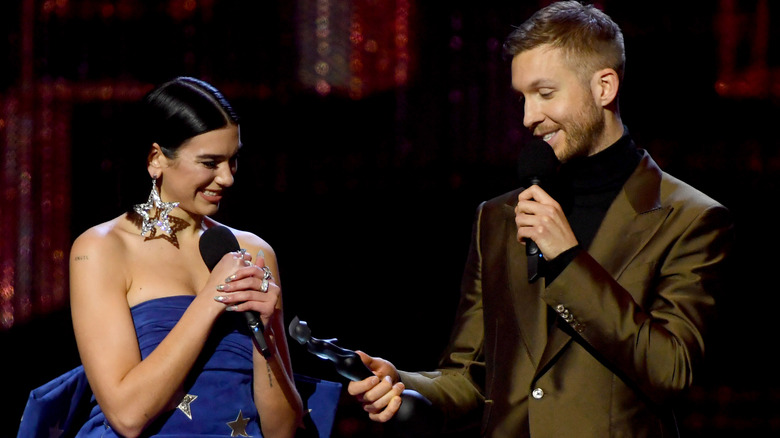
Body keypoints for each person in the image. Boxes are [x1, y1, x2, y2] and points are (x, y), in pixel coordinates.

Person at [347, 2, 734, 437]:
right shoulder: (498, 217)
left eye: (545, 93)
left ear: (604, 87)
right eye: (523, 98)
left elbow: (671, 370)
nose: (529, 117)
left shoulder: (689, 218)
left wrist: (568, 261)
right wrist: (403, 384)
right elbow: (471, 375)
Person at [68, 77, 303, 437]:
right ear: (157, 158)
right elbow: (128, 416)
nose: (227, 178)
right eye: (210, 163)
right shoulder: (101, 249)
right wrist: (213, 298)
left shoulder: (254, 252)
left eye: (233, 160)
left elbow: (281, 430)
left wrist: (266, 331)